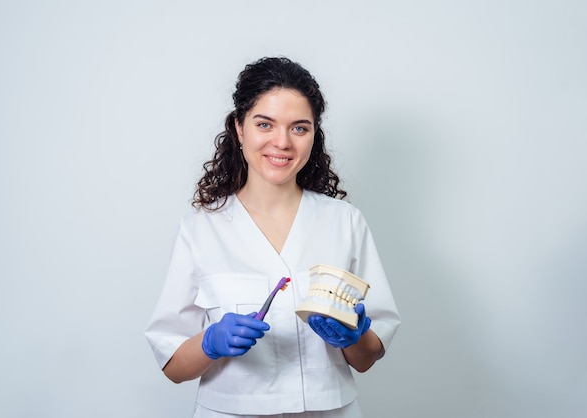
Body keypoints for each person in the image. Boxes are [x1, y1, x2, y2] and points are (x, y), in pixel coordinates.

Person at [145, 57, 400, 417]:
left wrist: (355, 338)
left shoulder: (345, 223)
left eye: (299, 128)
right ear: (239, 128)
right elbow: (172, 366)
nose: (281, 142)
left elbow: (367, 358)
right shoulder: (200, 230)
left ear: (314, 134)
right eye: (265, 124)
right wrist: (210, 342)